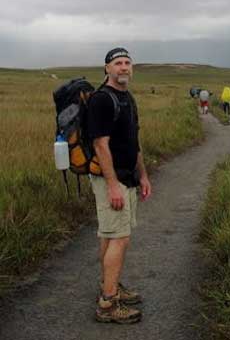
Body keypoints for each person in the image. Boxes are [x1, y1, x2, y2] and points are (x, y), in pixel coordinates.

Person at [88, 47, 152, 324]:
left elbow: (132, 142)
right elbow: (100, 145)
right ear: (107, 68)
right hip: (110, 179)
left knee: (110, 234)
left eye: (127, 62)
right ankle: (108, 304)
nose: (124, 67)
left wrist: (143, 175)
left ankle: (109, 286)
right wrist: (113, 185)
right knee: (120, 237)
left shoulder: (127, 98)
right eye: (118, 63)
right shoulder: (102, 99)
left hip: (127, 176)